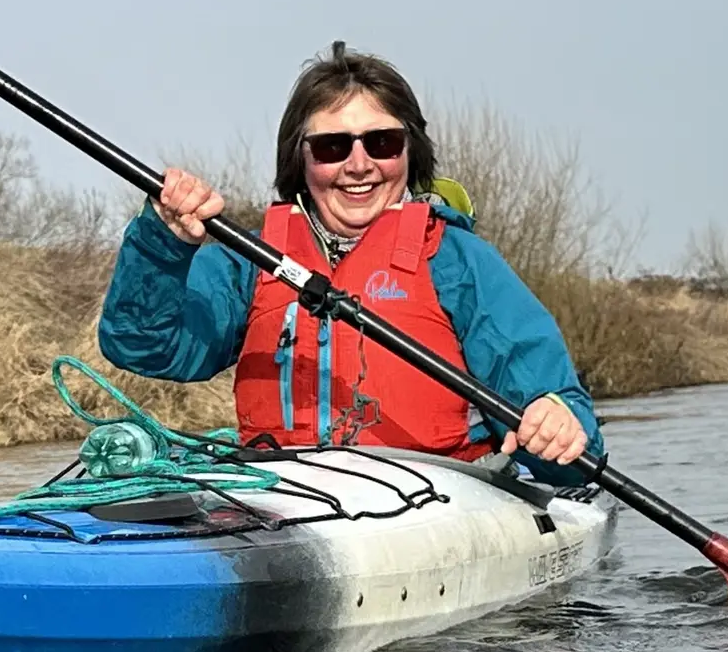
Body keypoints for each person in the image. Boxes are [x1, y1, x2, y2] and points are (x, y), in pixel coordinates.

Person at [98, 43, 603, 482]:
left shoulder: (458, 262)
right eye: (332, 147)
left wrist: (556, 418)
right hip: (284, 498)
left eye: (382, 143)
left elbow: (572, 448)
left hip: (438, 500)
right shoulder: (248, 261)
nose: (359, 165)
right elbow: (142, 346)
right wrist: (163, 243)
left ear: (409, 151)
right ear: (301, 158)